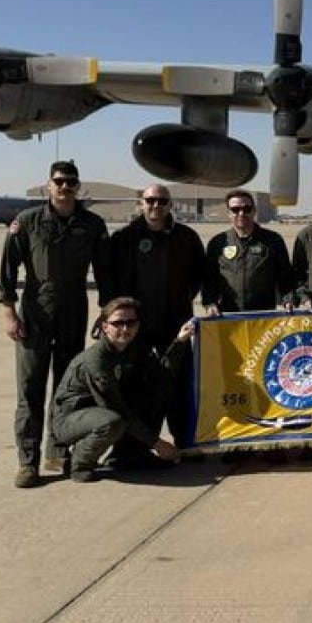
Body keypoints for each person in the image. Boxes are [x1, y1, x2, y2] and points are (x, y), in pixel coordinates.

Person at [0, 160, 111, 489]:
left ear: (78, 187)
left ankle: (59, 452)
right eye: (59, 181)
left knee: (67, 387)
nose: (65, 187)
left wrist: (106, 310)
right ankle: (27, 462)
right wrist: (9, 312)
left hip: (74, 308)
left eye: (71, 182)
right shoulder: (27, 221)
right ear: (49, 185)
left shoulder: (92, 224)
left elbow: (105, 270)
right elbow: (8, 268)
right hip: (35, 310)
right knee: (30, 388)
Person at [105, 183, 205, 457]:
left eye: (161, 200)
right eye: (150, 200)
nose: (155, 205)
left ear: (170, 204)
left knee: (179, 382)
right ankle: (131, 447)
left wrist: (182, 298)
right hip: (135, 327)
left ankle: (185, 441)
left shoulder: (186, 238)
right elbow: (110, 279)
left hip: (175, 324)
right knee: (135, 385)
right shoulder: (124, 238)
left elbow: (198, 276)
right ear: (141, 203)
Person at [51, 297, 184, 482]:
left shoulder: (134, 350)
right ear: (105, 327)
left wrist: (180, 341)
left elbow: (162, 374)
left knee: (159, 390)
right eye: (118, 323)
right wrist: (157, 443)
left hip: (103, 410)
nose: (125, 328)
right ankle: (79, 463)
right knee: (112, 421)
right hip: (72, 419)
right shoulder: (96, 359)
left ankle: (130, 454)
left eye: (131, 323)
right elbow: (114, 407)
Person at [201, 190, 295, 314]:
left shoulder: (273, 240)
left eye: (247, 209)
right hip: (229, 317)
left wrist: (288, 299)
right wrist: (210, 303)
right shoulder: (218, 243)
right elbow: (209, 281)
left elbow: (286, 277)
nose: (241, 213)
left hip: (263, 317)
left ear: (254, 211)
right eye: (235, 209)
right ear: (229, 213)